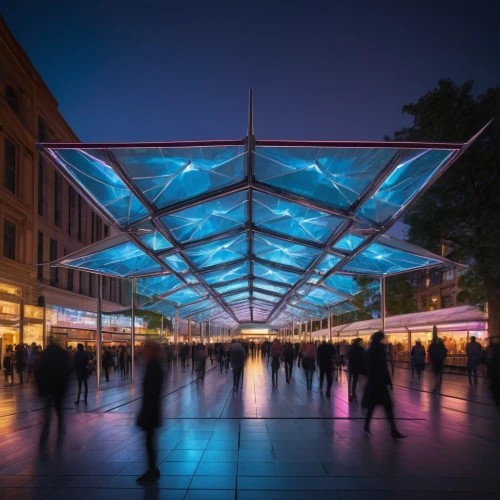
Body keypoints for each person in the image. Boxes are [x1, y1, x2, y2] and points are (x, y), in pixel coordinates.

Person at [362, 331, 405, 439]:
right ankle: (393, 430)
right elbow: (383, 368)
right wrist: (388, 381)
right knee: (387, 407)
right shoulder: (379, 350)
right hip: (379, 384)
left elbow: (367, 367)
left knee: (373, 406)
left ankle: (367, 426)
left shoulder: (370, 350)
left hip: (373, 383)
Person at [136, 341, 164, 483]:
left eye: (145, 350)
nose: (143, 353)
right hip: (152, 409)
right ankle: (152, 469)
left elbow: (151, 392)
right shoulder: (154, 365)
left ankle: (152, 470)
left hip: (150, 410)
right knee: (150, 441)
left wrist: (145, 411)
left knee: (149, 442)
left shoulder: (153, 366)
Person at [38, 341, 70, 448]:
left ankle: (45, 433)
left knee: (47, 412)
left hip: (47, 387)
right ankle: (60, 428)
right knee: (59, 410)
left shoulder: (45, 355)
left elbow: (39, 372)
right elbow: (67, 371)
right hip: (59, 387)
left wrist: (41, 389)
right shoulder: (63, 355)